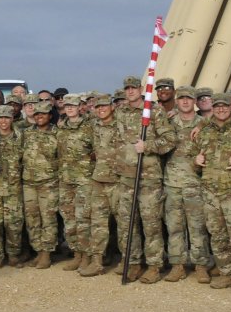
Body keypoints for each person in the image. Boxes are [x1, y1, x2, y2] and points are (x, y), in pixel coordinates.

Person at [112, 76, 176, 283]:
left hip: (148, 178)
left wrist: (147, 147)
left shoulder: (154, 111)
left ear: (141, 89)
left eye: (133, 87)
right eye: (127, 88)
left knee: (151, 224)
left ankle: (154, 265)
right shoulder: (120, 112)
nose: (130, 91)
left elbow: (169, 140)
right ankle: (133, 263)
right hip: (126, 178)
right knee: (127, 224)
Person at [195, 93, 231, 295]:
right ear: (212, 108)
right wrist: (195, 162)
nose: (221, 110)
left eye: (224, 106)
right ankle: (226, 273)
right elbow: (195, 164)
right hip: (211, 192)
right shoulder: (203, 132)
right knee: (218, 235)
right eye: (217, 106)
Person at [162, 86, 210, 283]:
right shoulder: (169, 123)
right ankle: (177, 265)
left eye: (189, 99)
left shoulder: (205, 124)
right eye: (181, 98)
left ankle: (200, 265)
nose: (184, 102)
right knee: (174, 226)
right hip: (172, 183)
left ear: (194, 101)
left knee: (197, 227)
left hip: (194, 183)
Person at [81, 94, 117, 277]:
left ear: (112, 107)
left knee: (124, 225)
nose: (101, 109)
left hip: (118, 180)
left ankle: (128, 260)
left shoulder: (122, 125)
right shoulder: (93, 126)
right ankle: (97, 262)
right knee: (98, 223)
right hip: (99, 180)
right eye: (98, 106)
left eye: (105, 105)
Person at [57, 94, 94, 272]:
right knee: (69, 219)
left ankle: (86, 255)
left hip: (83, 180)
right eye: (67, 105)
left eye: (73, 105)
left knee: (83, 219)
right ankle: (76, 254)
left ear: (80, 107)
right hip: (65, 179)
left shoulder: (89, 126)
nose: (70, 108)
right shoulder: (61, 127)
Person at [21, 101, 59, 269]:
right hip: (29, 182)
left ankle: (47, 253)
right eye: (37, 114)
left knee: (48, 219)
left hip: (49, 182)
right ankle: (38, 250)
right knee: (32, 219)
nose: (40, 117)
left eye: (43, 114)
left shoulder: (57, 133)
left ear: (50, 116)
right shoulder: (26, 133)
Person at [0, 106, 25, 268]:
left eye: (7, 118)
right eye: (1, 118)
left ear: (12, 119)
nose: (3, 121)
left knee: (14, 224)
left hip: (14, 187)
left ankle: (13, 254)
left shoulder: (20, 136)